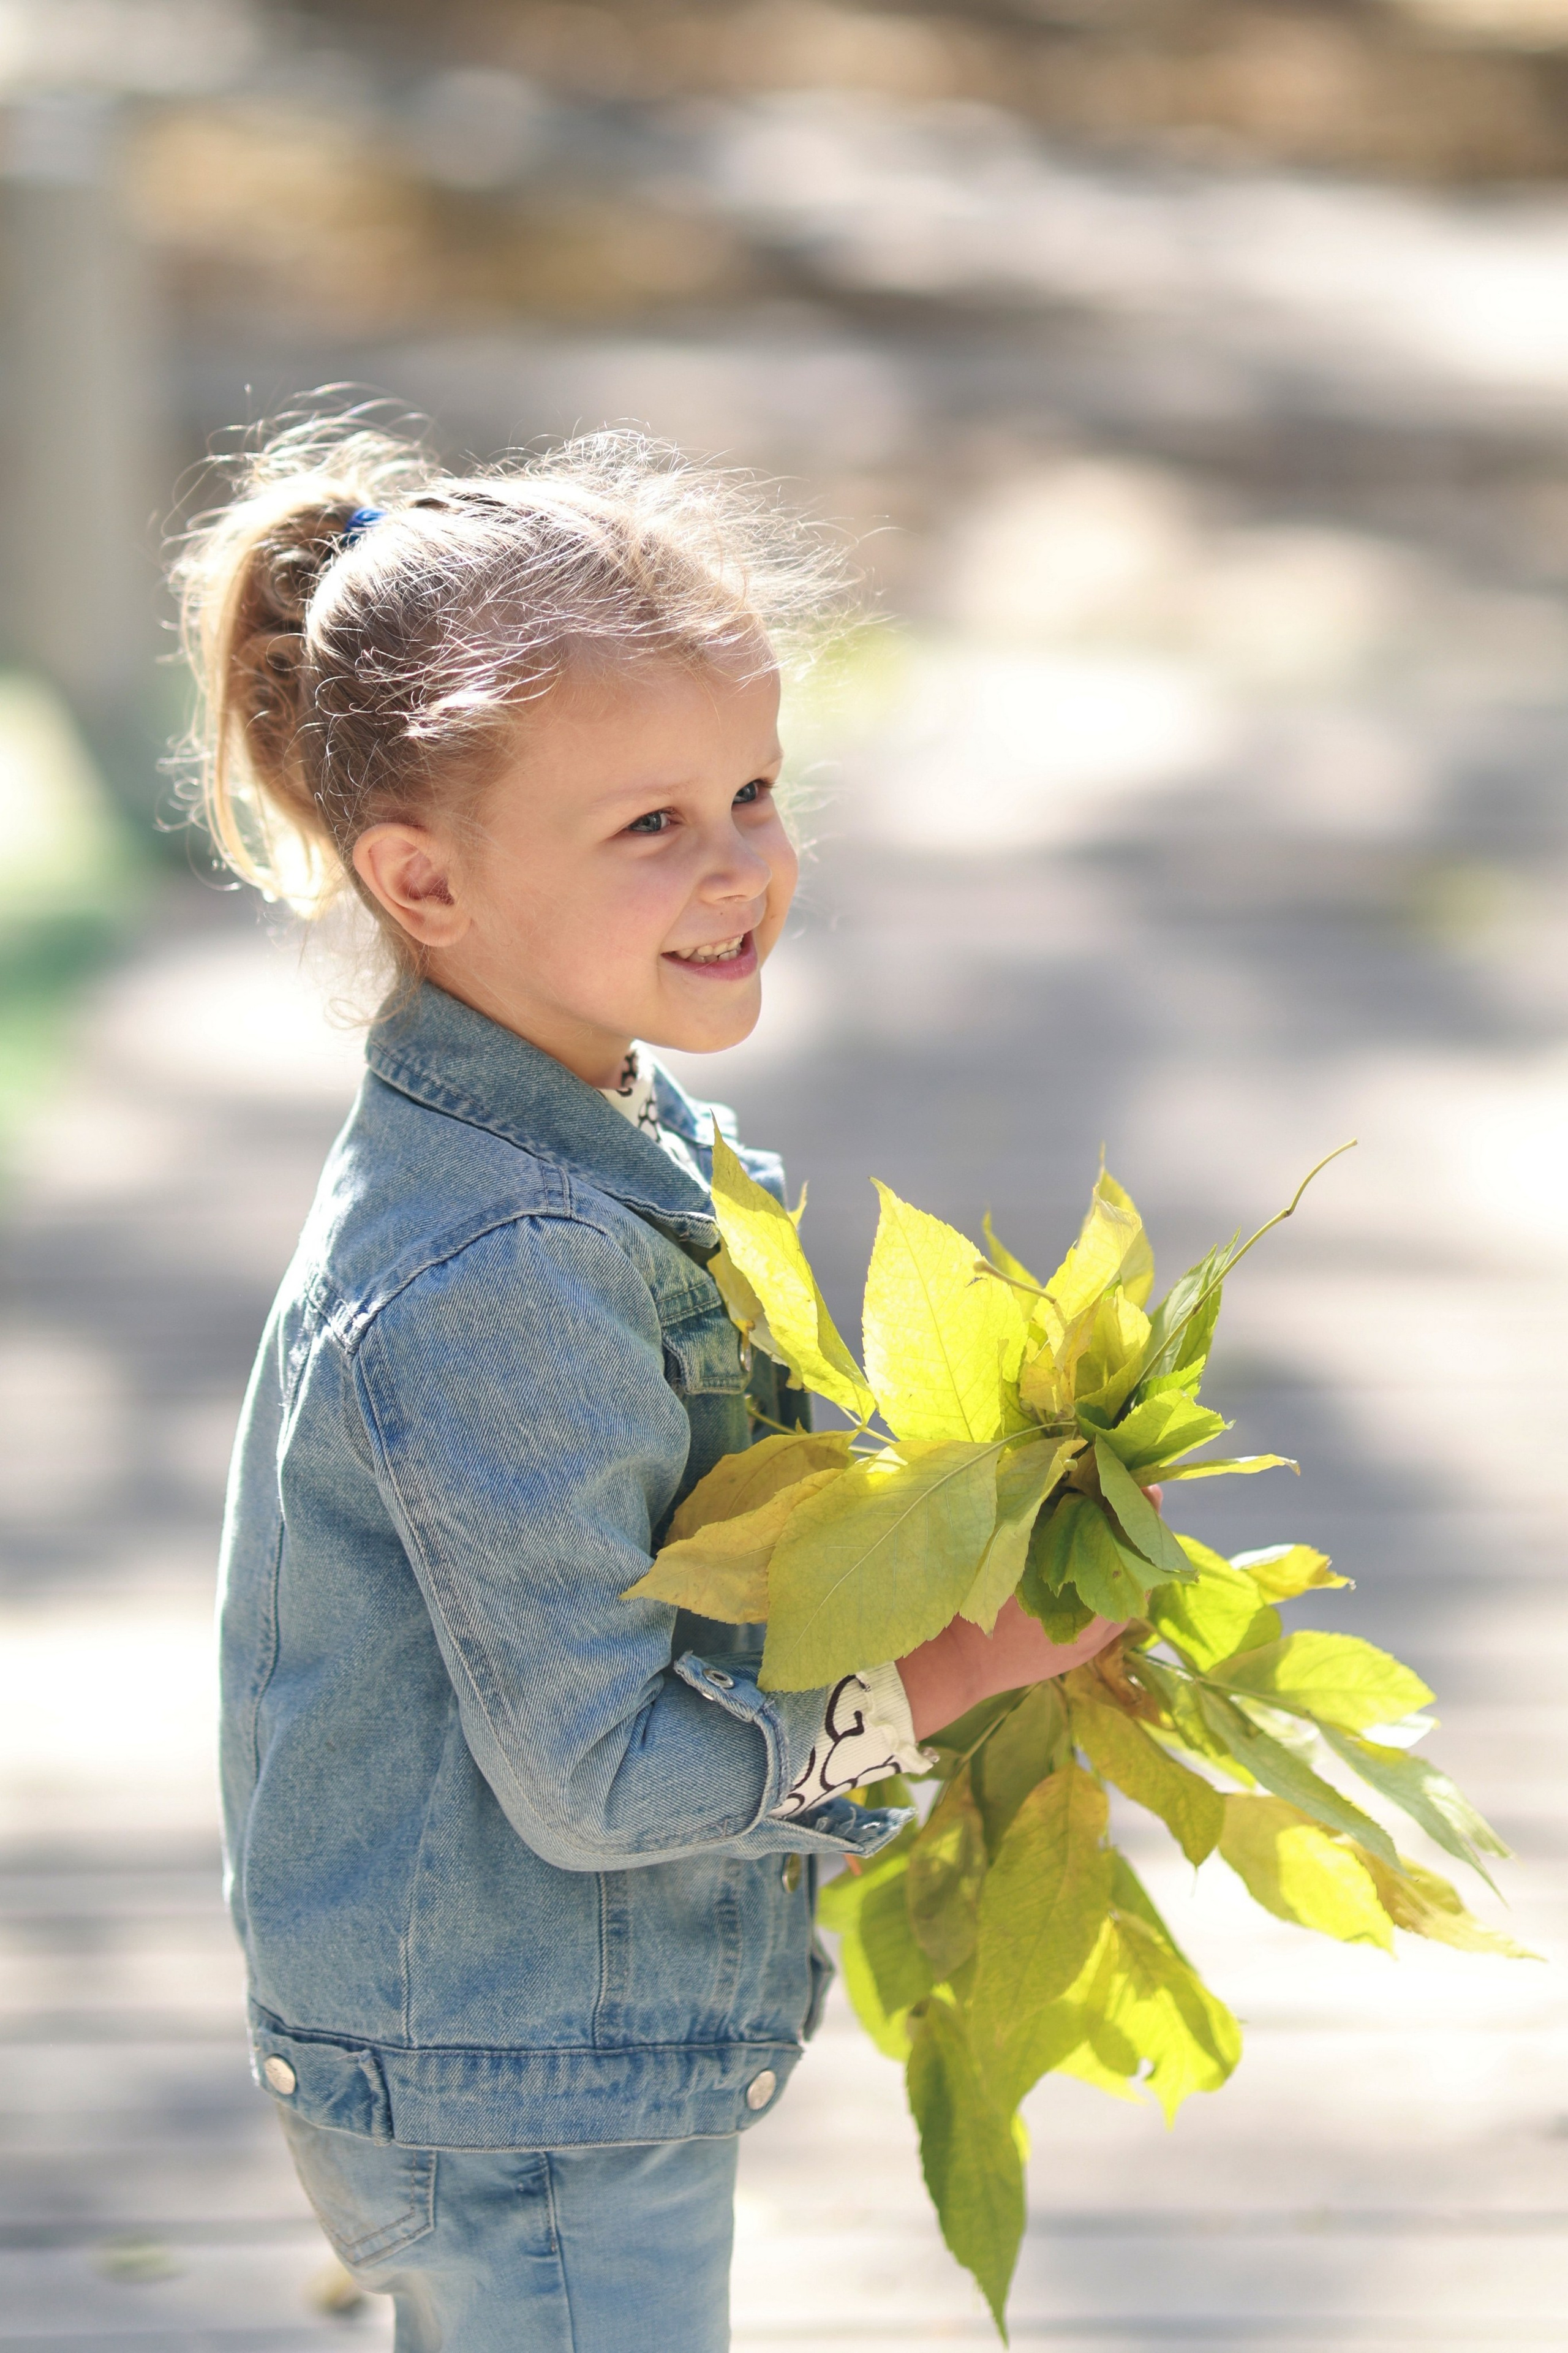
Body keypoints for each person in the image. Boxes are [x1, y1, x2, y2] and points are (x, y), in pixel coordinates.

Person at [178, 418, 1118, 2352]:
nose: (742, 865)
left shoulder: (616, 1128)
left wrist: (957, 1525)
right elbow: (602, 1771)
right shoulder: (498, 1269)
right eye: (650, 826)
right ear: (422, 883)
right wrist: (947, 1676)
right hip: (517, 2098)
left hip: (527, 2055)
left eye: (755, 789)